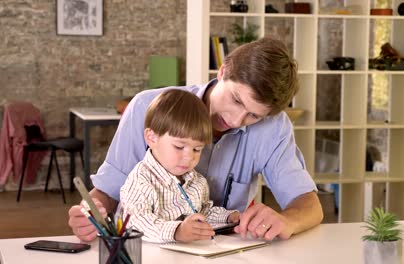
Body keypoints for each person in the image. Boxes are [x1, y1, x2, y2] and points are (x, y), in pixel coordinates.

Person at [69, 37, 323, 242]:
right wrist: (88, 213)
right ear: (223, 71)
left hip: (222, 251)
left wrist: (288, 221)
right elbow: (108, 193)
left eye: (253, 116)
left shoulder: (273, 128)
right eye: (236, 100)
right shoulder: (146, 107)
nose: (235, 120)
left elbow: (309, 206)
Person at [119, 89, 240, 243]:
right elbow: (136, 222)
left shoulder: (197, 182)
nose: (189, 157)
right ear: (152, 138)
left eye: (197, 149)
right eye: (179, 147)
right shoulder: (141, 180)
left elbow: (203, 213)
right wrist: (177, 231)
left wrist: (228, 217)